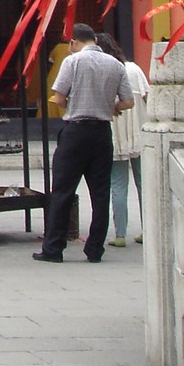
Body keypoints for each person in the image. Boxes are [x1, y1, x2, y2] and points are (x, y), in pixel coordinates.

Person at [34, 22, 133, 264]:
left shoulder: (72, 61)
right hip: (102, 133)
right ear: (95, 41)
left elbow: (59, 98)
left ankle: (54, 248)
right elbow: (128, 101)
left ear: (73, 42)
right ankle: (95, 249)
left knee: (62, 191)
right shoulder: (115, 64)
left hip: (76, 132)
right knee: (100, 193)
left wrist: (75, 104)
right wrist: (111, 106)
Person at [98, 32, 151, 247]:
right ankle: (148, 231)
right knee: (144, 184)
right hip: (139, 131)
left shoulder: (104, 70)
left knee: (118, 185)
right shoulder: (134, 69)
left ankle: (120, 234)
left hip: (116, 133)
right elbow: (147, 97)